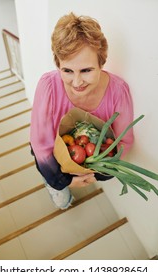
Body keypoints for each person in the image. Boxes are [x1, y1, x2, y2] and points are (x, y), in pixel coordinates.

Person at [30, 12, 134, 210]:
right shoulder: (48, 86)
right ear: (58, 65)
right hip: (53, 158)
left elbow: (124, 141)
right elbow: (40, 143)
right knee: (61, 200)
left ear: (101, 63)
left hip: (89, 159)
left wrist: (95, 172)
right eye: (67, 71)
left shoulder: (118, 92)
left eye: (86, 70)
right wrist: (63, 181)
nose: (77, 83)